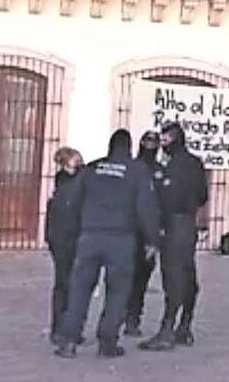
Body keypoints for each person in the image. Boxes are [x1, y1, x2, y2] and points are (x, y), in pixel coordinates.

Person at [53, 130, 161, 359]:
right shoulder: (137, 171)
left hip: (90, 237)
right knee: (118, 292)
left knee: (79, 290)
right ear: (129, 147)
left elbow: (73, 203)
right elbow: (146, 208)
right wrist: (152, 240)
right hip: (121, 240)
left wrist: (74, 234)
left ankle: (69, 341)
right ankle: (107, 343)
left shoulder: (92, 169)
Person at [140, 121, 208, 351]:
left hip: (174, 226)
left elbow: (164, 199)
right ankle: (185, 326)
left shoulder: (173, 168)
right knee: (188, 275)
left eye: (166, 140)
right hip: (188, 225)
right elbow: (203, 195)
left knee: (174, 278)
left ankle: (167, 329)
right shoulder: (196, 164)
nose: (162, 145)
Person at [124, 131, 163, 336]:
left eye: (153, 142)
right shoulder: (131, 169)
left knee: (140, 280)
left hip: (148, 233)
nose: (150, 145)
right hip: (128, 230)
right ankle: (120, 315)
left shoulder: (159, 171)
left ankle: (133, 318)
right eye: (147, 141)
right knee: (124, 277)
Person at [46, 147, 85, 345]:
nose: (79, 162)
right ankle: (62, 328)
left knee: (72, 284)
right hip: (64, 239)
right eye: (75, 159)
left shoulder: (76, 180)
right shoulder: (65, 182)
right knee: (65, 284)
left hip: (70, 237)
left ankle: (68, 328)